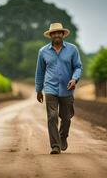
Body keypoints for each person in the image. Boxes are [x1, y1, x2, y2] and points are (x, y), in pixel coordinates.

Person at [35, 22, 83, 154]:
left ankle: (63, 137)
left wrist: (74, 79)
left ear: (63, 34)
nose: (56, 35)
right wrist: (39, 90)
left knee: (66, 117)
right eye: (54, 33)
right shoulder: (43, 52)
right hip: (50, 89)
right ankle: (55, 146)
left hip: (67, 89)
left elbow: (78, 67)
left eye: (59, 32)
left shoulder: (72, 50)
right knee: (52, 116)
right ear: (50, 35)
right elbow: (40, 72)